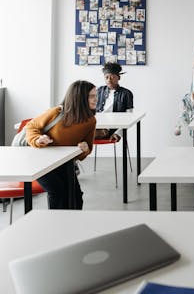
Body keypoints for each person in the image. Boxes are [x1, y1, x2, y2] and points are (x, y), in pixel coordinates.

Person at [25, 80, 97, 209]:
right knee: (58, 192)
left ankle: (72, 226)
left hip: (65, 163)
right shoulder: (57, 112)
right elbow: (31, 127)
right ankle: (57, 226)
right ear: (79, 98)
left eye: (95, 95)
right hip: (41, 162)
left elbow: (85, 151)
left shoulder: (90, 121)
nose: (96, 99)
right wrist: (38, 139)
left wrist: (84, 149)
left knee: (75, 196)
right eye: (92, 96)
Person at [95, 62, 133, 141]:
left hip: (109, 129)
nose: (109, 80)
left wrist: (118, 133)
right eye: (106, 77)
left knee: (81, 135)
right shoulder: (99, 91)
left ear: (118, 78)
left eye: (112, 77)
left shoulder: (126, 93)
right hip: (95, 125)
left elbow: (129, 117)